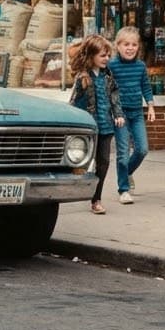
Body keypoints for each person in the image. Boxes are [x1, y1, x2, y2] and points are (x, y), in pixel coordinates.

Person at [69, 34, 125, 215]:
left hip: (106, 127)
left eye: (108, 55)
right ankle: (79, 190)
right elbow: (74, 103)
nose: (107, 59)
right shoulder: (83, 78)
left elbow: (115, 96)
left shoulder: (108, 77)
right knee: (83, 163)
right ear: (91, 56)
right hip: (88, 128)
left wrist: (118, 114)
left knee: (103, 162)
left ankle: (96, 199)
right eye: (103, 55)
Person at [109, 25, 155, 204]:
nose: (130, 48)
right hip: (120, 115)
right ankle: (123, 190)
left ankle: (126, 172)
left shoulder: (140, 66)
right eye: (126, 44)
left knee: (142, 149)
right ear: (118, 46)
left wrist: (150, 106)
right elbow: (109, 90)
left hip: (136, 113)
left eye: (134, 45)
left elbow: (145, 86)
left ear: (138, 47)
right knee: (123, 152)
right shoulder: (112, 66)